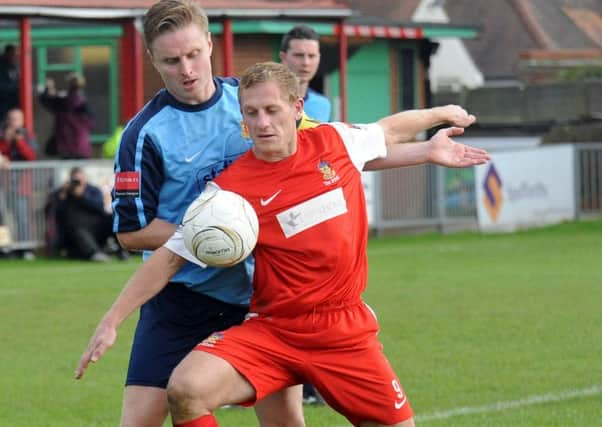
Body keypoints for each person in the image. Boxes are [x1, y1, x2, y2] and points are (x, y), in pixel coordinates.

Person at [76, 61, 488, 427]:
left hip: (343, 330)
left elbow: (388, 130)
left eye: (272, 110)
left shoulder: (335, 142)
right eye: (251, 113)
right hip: (274, 330)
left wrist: (438, 123)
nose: (262, 123)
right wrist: (112, 320)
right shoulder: (228, 192)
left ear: (296, 109)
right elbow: (167, 259)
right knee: (187, 388)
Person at [78, 1, 303, 426]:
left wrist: (420, 148)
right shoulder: (145, 134)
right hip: (179, 300)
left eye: (193, 54)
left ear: (210, 44)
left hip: (262, 296)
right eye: (171, 60)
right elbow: (130, 233)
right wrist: (203, 233)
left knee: (285, 422)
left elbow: (325, 152)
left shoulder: (252, 103)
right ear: (152, 60)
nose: (186, 69)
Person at [51, 166, 126, 262]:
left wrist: (82, 196)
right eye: (75, 180)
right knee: (76, 227)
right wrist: (64, 194)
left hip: (95, 225)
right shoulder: (64, 192)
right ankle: (94, 253)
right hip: (76, 228)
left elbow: (100, 207)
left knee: (112, 219)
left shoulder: (93, 190)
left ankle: (122, 251)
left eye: (80, 179)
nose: (78, 183)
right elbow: (57, 213)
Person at [0, 108, 37, 247]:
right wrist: (7, 141)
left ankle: (25, 248)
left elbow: (32, 157)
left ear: (22, 121)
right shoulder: (2, 135)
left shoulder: (28, 136)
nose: (13, 122)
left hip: (21, 186)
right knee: (2, 217)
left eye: (16, 119)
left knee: (22, 218)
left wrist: (19, 141)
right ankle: (4, 247)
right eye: (11, 119)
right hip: (4, 184)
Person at [280, 25, 331, 122]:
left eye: (312, 56)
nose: (306, 63)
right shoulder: (265, 101)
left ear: (319, 58)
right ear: (283, 57)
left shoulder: (323, 105)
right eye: (299, 55)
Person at [39, 73, 95, 159]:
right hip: (82, 149)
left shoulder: (63, 102)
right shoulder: (84, 104)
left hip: (65, 148)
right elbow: (92, 124)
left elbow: (46, 100)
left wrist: (47, 89)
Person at [0, 44, 19, 123]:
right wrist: (16, 87)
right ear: (7, 53)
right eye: (12, 54)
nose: (14, 56)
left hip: (14, 100)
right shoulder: (2, 66)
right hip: (3, 101)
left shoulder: (14, 65)